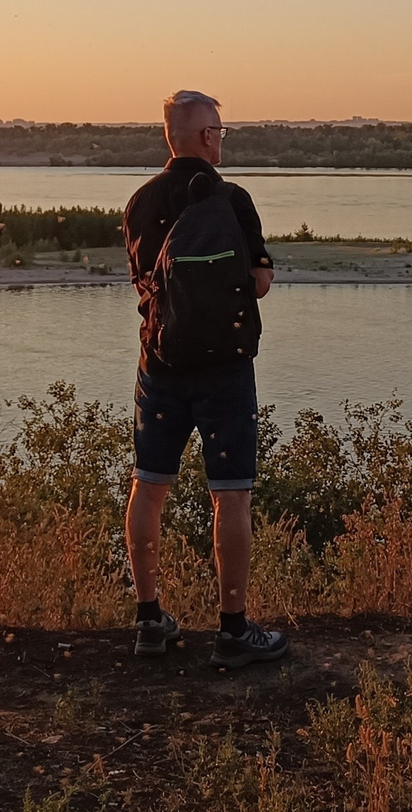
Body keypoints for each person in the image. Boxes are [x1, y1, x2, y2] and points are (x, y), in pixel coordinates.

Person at [121, 89, 289, 667]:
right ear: (202, 137)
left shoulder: (139, 203)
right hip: (225, 370)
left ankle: (149, 621)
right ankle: (234, 631)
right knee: (232, 496)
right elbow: (261, 283)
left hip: (160, 366)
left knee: (149, 485)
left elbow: (143, 282)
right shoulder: (234, 200)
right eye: (219, 130)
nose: (221, 138)